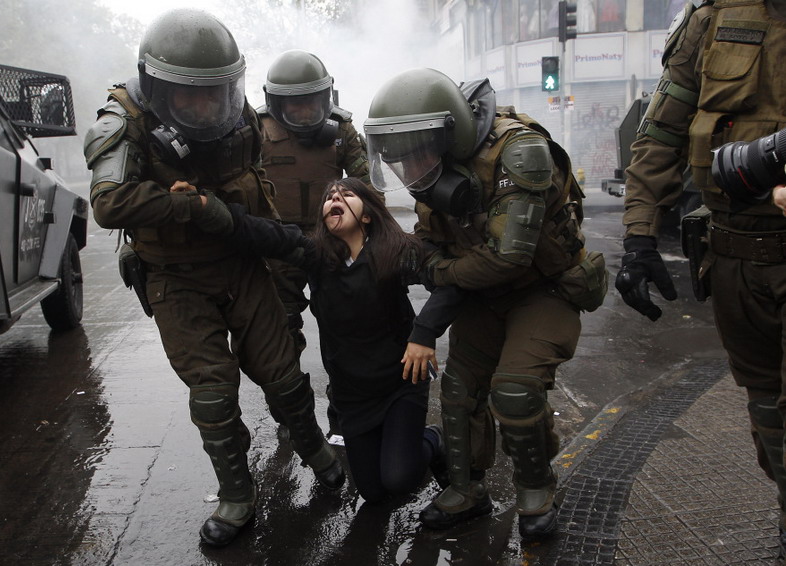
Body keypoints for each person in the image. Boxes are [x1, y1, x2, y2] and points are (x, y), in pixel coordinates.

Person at [82, 9, 344, 548]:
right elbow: (108, 203)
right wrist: (193, 210)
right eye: (191, 98)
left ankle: (316, 450)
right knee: (213, 392)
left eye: (216, 93)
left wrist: (272, 242)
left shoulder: (237, 113)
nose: (207, 108)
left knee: (283, 371)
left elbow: (256, 180)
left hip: (242, 263)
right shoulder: (125, 117)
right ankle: (236, 494)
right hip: (174, 276)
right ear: (160, 88)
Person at [364, 69, 607, 538]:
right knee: (458, 392)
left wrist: (440, 272)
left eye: (416, 149)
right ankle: (467, 489)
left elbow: (509, 257)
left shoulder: (520, 153)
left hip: (545, 289)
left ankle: (536, 488)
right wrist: (436, 266)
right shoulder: (432, 170)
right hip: (483, 297)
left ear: (448, 133)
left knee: (514, 391)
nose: (408, 166)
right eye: (400, 155)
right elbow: (429, 240)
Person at [615, 0, 786, 559]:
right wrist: (640, 239)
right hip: (736, 263)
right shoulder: (711, 19)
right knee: (768, 413)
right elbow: (661, 133)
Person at [208, 177, 454, 503]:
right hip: (352, 393)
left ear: (367, 215)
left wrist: (423, 335)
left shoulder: (398, 250)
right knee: (374, 493)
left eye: (346, 195)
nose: (334, 199)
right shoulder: (316, 256)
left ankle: (432, 440)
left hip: (400, 382)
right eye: (329, 198)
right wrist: (208, 209)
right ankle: (395, 442)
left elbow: (450, 282)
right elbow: (268, 234)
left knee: (399, 480)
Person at [258, 50, 372, 434]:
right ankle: (293, 416)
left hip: (331, 240)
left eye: (312, 102)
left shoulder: (341, 130)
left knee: (344, 328)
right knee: (280, 334)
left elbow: (365, 188)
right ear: (277, 103)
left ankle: (345, 413)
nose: (305, 111)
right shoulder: (255, 131)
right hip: (278, 244)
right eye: (295, 104)